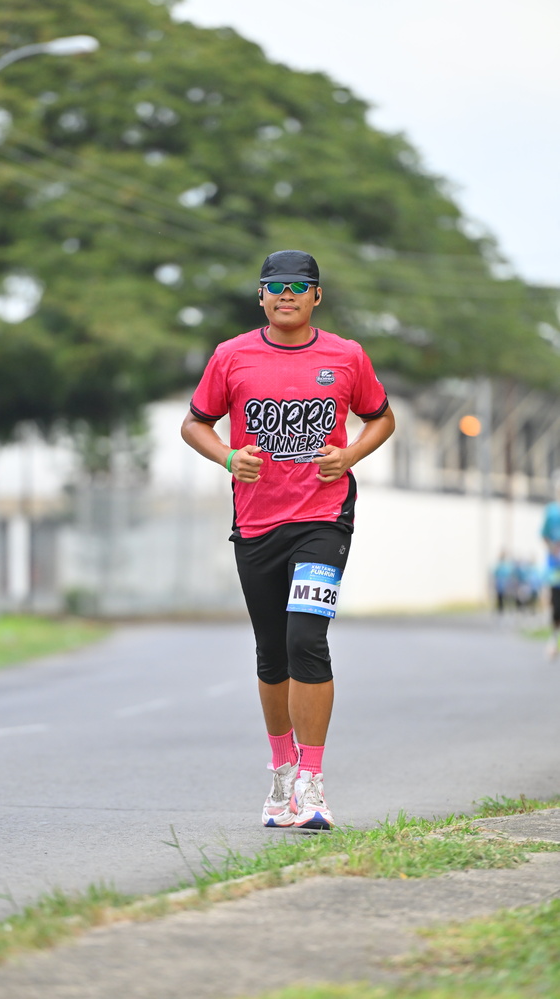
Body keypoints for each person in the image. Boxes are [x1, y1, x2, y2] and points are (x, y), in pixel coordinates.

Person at [181, 249, 395, 829]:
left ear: (317, 296)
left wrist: (350, 454)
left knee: (306, 639)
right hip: (256, 523)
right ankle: (282, 772)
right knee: (272, 651)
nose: (286, 295)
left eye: (299, 286)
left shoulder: (346, 356)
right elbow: (195, 423)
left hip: (324, 518)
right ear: (260, 296)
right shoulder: (231, 356)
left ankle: (312, 783)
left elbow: (382, 416)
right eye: (275, 286)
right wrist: (229, 457)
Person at [541, 471, 560, 658]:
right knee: (556, 605)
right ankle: (553, 640)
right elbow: (544, 535)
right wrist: (552, 548)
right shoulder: (552, 512)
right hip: (556, 568)